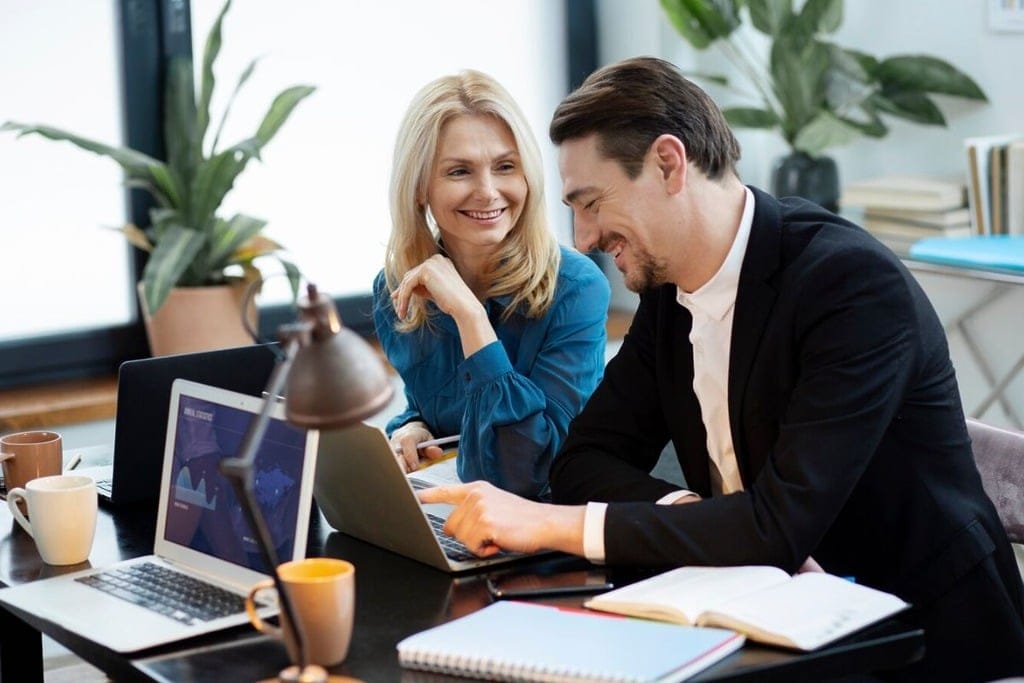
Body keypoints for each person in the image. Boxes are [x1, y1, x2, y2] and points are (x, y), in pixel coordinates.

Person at [419, 57, 1024, 680]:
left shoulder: (851, 287)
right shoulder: (668, 290)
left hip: (921, 639)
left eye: (592, 203)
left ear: (668, 164)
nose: (585, 237)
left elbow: (777, 527)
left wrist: (553, 524)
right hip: (764, 626)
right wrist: (695, 517)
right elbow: (583, 460)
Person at [373, 69, 610, 499]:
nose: (487, 192)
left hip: (543, 525)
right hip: (453, 512)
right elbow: (439, 405)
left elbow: (527, 472)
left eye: (505, 167)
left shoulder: (576, 289)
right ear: (420, 187)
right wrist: (413, 425)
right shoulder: (397, 290)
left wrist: (470, 318)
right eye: (459, 171)